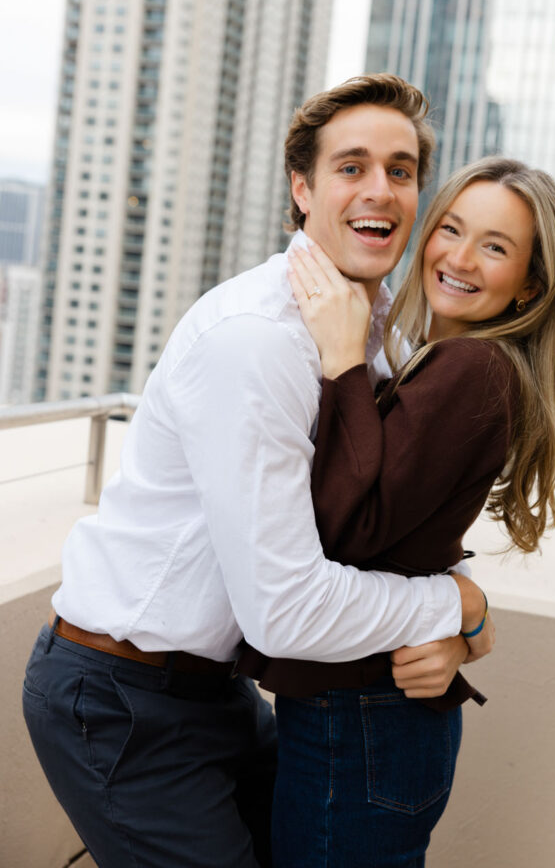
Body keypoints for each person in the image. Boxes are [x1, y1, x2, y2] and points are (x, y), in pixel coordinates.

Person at [22, 75, 491, 868]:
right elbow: (285, 613)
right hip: (118, 697)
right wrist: (450, 605)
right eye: (351, 167)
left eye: (401, 170)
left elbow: (392, 520)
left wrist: (458, 629)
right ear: (302, 190)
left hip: (218, 694)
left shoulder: (381, 338)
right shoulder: (259, 340)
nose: (379, 188)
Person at [239, 155, 555, 867]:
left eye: (494, 246)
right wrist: (460, 606)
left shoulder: (472, 369)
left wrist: (338, 358)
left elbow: (348, 528)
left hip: (362, 718)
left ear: (530, 286)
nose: (458, 257)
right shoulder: (435, 359)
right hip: (373, 711)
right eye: (450, 229)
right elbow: (406, 525)